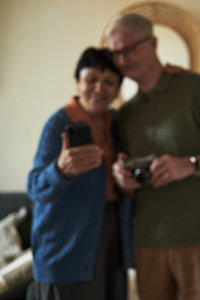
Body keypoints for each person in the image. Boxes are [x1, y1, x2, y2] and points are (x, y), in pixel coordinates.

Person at [105, 13, 200, 300]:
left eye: (129, 49)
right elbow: (133, 186)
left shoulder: (194, 88)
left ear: (153, 43)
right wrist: (122, 180)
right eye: (116, 53)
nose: (122, 60)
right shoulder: (126, 113)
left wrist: (189, 164)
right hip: (148, 242)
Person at [27, 47, 133, 300]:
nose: (99, 88)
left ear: (118, 90)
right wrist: (60, 170)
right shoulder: (59, 124)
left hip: (112, 239)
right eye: (91, 79)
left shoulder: (118, 124)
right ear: (77, 82)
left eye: (109, 82)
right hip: (66, 243)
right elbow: (35, 187)